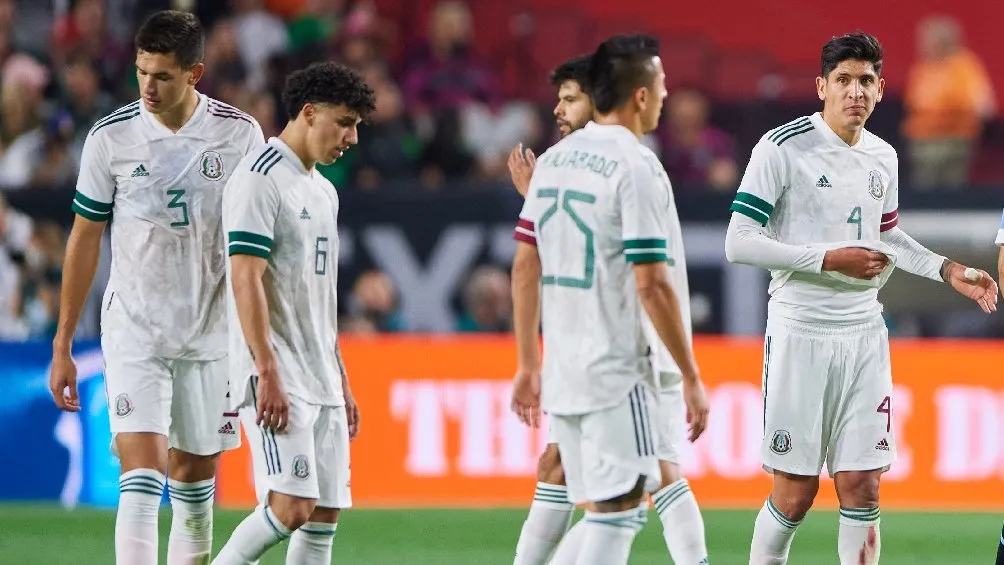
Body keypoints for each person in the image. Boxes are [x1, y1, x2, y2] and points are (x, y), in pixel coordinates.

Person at [724, 31, 998, 565]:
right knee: (796, 494)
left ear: (880, 89)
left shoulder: (883, 156)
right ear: (821, 86)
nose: (855, 91)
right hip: (801, 330)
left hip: (864, 332)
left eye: (866, 81)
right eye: (844, 80)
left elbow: (886, 235)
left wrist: (947, 269)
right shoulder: (780, 148)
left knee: (862, 485)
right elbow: (739, 241)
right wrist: (828, 258)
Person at [48, 11, 264, 565]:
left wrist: (264, 349)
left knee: (194, 485)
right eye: (141, 72)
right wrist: (63, 342)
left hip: (212, 332)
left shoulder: (239, 136)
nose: (148, 86)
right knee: (141, 473)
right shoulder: (111, 137)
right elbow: (84, 239)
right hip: (135, 329)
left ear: (195, 74)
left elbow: (259, 246)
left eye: (162, 75)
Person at [510, 34, 707, 565]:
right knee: (622, 509)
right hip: (619, 368)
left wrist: (530, 362)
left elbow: (525, 265)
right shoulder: (636, 165)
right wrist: (689, 373)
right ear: (641, 95)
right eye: (661, 85)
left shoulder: (552, 163)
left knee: (612, 498)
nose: (667, 95)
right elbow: (651, 282)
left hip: (564, 367)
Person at [211, 60, 375, 565]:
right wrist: (266, 369)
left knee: (324, 514)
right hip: (276, 371)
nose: (351, 137)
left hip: (320, 373)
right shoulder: (261, 178)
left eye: (357, 126)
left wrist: (340, 378)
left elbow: (318, 299)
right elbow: (245, 277)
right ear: (309, 112)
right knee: (291, 506)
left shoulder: (323, 189)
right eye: (344, 122)